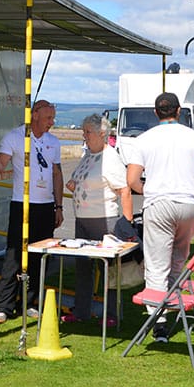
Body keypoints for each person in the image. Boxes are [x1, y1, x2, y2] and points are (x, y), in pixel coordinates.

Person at [125, 93, 194, 342]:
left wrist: (149, 190)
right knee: (178, 259)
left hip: (159, 204)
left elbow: (132, 180)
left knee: (157, 264)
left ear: (156, 112)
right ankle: (175, 304)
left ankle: (158, 321)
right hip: (189, 204)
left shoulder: (144, 139)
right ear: (178, 111)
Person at [0, 100, 65, 324]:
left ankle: (30, 301)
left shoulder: (53, 141)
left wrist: (58, 206)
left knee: (39, 255)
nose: (51, 122)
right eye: (48, 118)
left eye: (53, 118)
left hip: (46, 205)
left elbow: (57, 174)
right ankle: (3, 306)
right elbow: (1, 166)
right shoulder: (15, 137)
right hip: (22, 203)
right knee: (14, 255)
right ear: (34, 114)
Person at [64, 114, 133, 324]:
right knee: (83, 268)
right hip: (83, 219)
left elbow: (124, 190)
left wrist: (127, 223)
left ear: (102, 134)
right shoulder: (88, 155)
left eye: (88, 132)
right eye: (83, 131)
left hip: (104, 219)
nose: (84, 136)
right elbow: (80, 179)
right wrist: (73, 184)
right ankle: (81, 311)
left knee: (108, 269)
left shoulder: (110, 158)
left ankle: (112, 314)